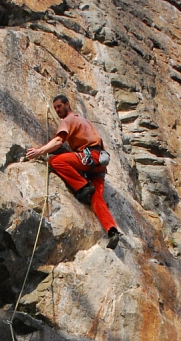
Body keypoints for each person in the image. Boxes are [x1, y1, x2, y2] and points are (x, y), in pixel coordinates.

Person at [26, 95, 120, 250]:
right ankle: (112, 231)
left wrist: (39, 151)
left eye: (59, 106)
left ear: (67, 105)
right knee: (96, 199)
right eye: (55, 107)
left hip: (88, 157)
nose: (57, 110)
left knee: (56, 161)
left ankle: (83, 187)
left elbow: (58, 141)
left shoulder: (67, 120)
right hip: (100, 163)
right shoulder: (84, 121)